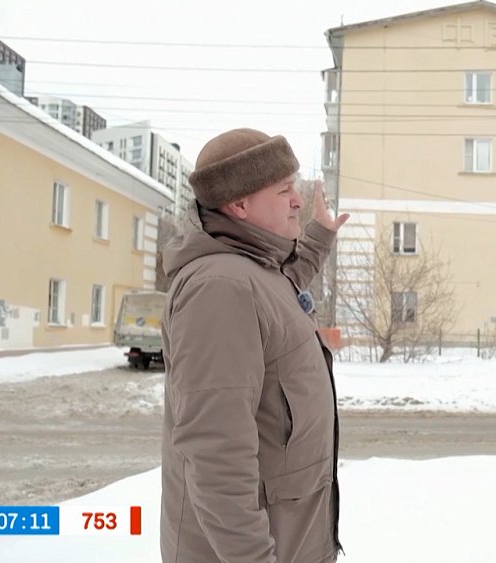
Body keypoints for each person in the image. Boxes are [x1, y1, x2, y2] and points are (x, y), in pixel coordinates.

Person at [160, 128, 349, 563]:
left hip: (290, 540)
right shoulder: (220, 289)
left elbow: (280, 293)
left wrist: (318, 236)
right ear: (239, 204)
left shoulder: (255, 271)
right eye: (285, 190)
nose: (298, 200)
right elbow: (216, 457)